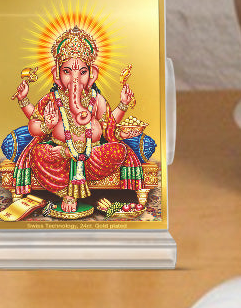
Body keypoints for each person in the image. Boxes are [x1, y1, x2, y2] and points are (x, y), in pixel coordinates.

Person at [10, 25, 143, 203]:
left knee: (120, 150)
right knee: (38, 153)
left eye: (82, 72)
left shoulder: (96, 99)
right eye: (67, 71)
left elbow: (108, 126)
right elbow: (34, 126)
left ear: (92, 74)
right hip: (60, 155)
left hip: (92, 155)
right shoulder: (52, 99)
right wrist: (46, 125)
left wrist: (123, 107)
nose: (75, 79)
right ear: (56, 75)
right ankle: (65, 193)